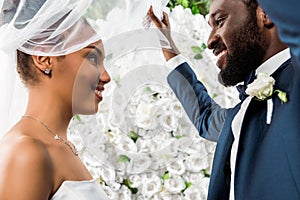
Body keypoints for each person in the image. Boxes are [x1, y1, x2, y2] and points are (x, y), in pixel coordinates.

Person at [148, 0, 300, 199]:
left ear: (266, 14)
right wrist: (166, 42)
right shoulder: (242, 112)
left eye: (220, 21)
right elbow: (205, 117)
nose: (210, 41)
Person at [0, 0, 112, 199]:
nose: (106, 76)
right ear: (43, 58)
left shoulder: (60, 145)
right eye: (92, 59)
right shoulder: (26, 152)